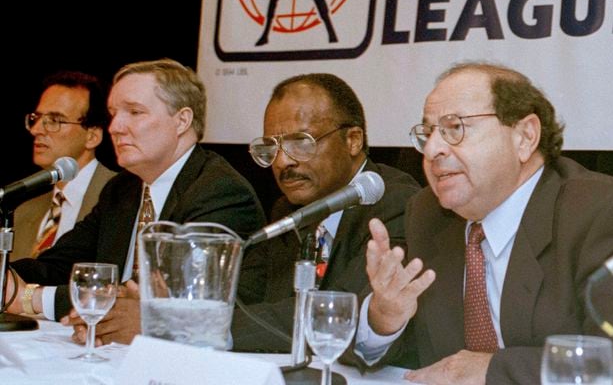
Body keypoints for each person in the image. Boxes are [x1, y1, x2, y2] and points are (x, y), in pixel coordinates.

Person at [354, 62, 613, 385]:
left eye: (455, 128)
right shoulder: (427, 214)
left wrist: (491, 371)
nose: (433, 149)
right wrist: (384, 319)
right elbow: (412, 357)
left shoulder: (603, 214)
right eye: (428, 133)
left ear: (525, 136)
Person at [5, 58, 266, 346]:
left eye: (134, 112)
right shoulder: (123, 188)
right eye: (114, 113)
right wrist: (8, 273)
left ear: (182, 120)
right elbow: (62, 263)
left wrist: (29, 298)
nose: (116, 127)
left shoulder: (219, 191)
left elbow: (165, 301)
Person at [231, 73, 419, 352]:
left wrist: (213, 325)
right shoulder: (286, 210)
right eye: (272, 147)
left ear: (353, 140)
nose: (283, 161)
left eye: (301, 143)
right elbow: (245, 300)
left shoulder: (396, 203)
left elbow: (340, 313)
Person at [11, 71, 116, 261]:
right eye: (37, 118)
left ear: (92, 136)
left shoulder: (120, 197)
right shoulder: (24, 212)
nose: (36, 130)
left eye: (55, 120)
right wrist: (27, 293)